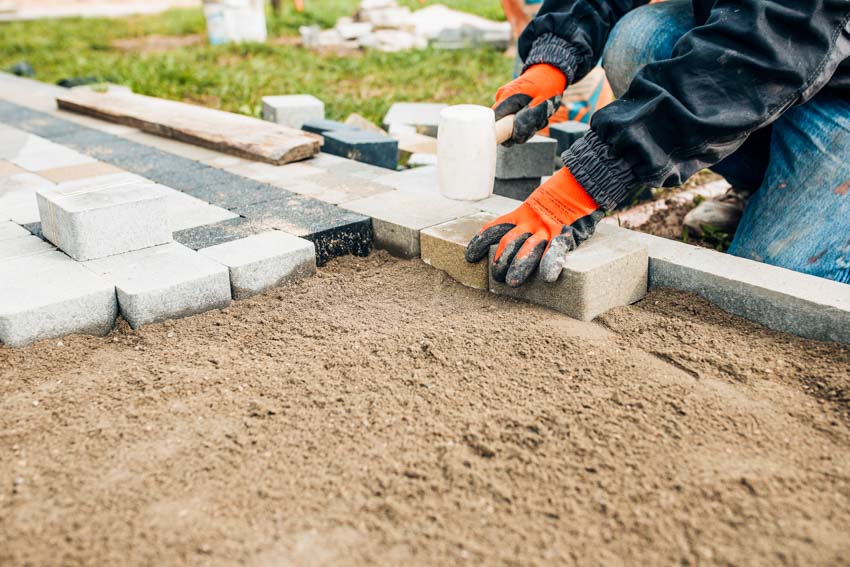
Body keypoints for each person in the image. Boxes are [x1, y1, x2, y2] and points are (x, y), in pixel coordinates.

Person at [465, 0, 850, 286]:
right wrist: (555, 54)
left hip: (833, 86)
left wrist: (588, 183)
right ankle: (766, 185)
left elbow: (769, 48)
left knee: (781, 283)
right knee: (640, 37)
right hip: (774, 50)